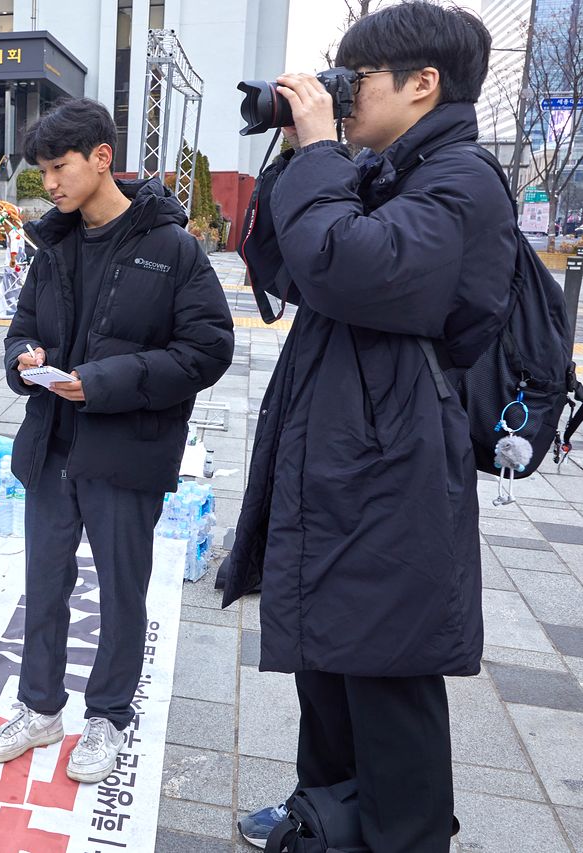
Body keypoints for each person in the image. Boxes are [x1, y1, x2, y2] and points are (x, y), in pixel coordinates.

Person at [222, 4, 514, 850]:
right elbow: (282, 261)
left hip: (393, 470)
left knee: (386, 672)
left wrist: (321, 151)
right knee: (330, 654)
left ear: (423, 84)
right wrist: (300, 150)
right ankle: (327, 815)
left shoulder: (460, 180)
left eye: (357, 78)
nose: (340, 94)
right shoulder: (390, 168)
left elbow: (349, 268)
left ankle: (404, 833)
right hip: (347, 453)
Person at [0, 98, 233, 783]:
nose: (50, 184)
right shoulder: (52, 244)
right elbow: (18, 329)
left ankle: (108, 715)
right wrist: (24, 358)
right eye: (42, 172)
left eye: (59, 167)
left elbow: (207, 351)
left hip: (126, 452)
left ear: (100, 158)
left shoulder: (171, 248)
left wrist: (102, 382)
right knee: (44, 582)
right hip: (51, 443)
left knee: (122, 589)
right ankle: (39, 707)